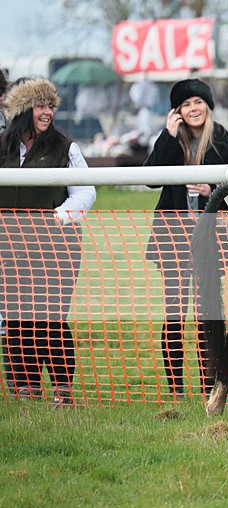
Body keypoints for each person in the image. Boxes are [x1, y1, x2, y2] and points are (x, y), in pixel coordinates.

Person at [144, 78, 228, 400]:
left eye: (197, 102)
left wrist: (212, 191)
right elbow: (149, 178)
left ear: (208, 106)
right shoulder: (172, 142)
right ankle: (176, 387)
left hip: (210, 240)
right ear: (177, 111)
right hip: (172, 239)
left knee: (209, 313)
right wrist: (167, 133)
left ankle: (210, 383)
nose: (193, 109)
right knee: (174, 314)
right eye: (186, 105)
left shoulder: (225, 144)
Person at [0, 77, 96, 407]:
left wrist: (58, 217)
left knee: (49, 318)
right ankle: (26, 388)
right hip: (9, 250)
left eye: (50, 106)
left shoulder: (66, 148)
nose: (47, 113)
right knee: (15, 319)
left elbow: (86, 191)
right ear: (23, 111)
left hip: (56, 249)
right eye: (40, 106)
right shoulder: (3, 148)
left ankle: (62, 389)